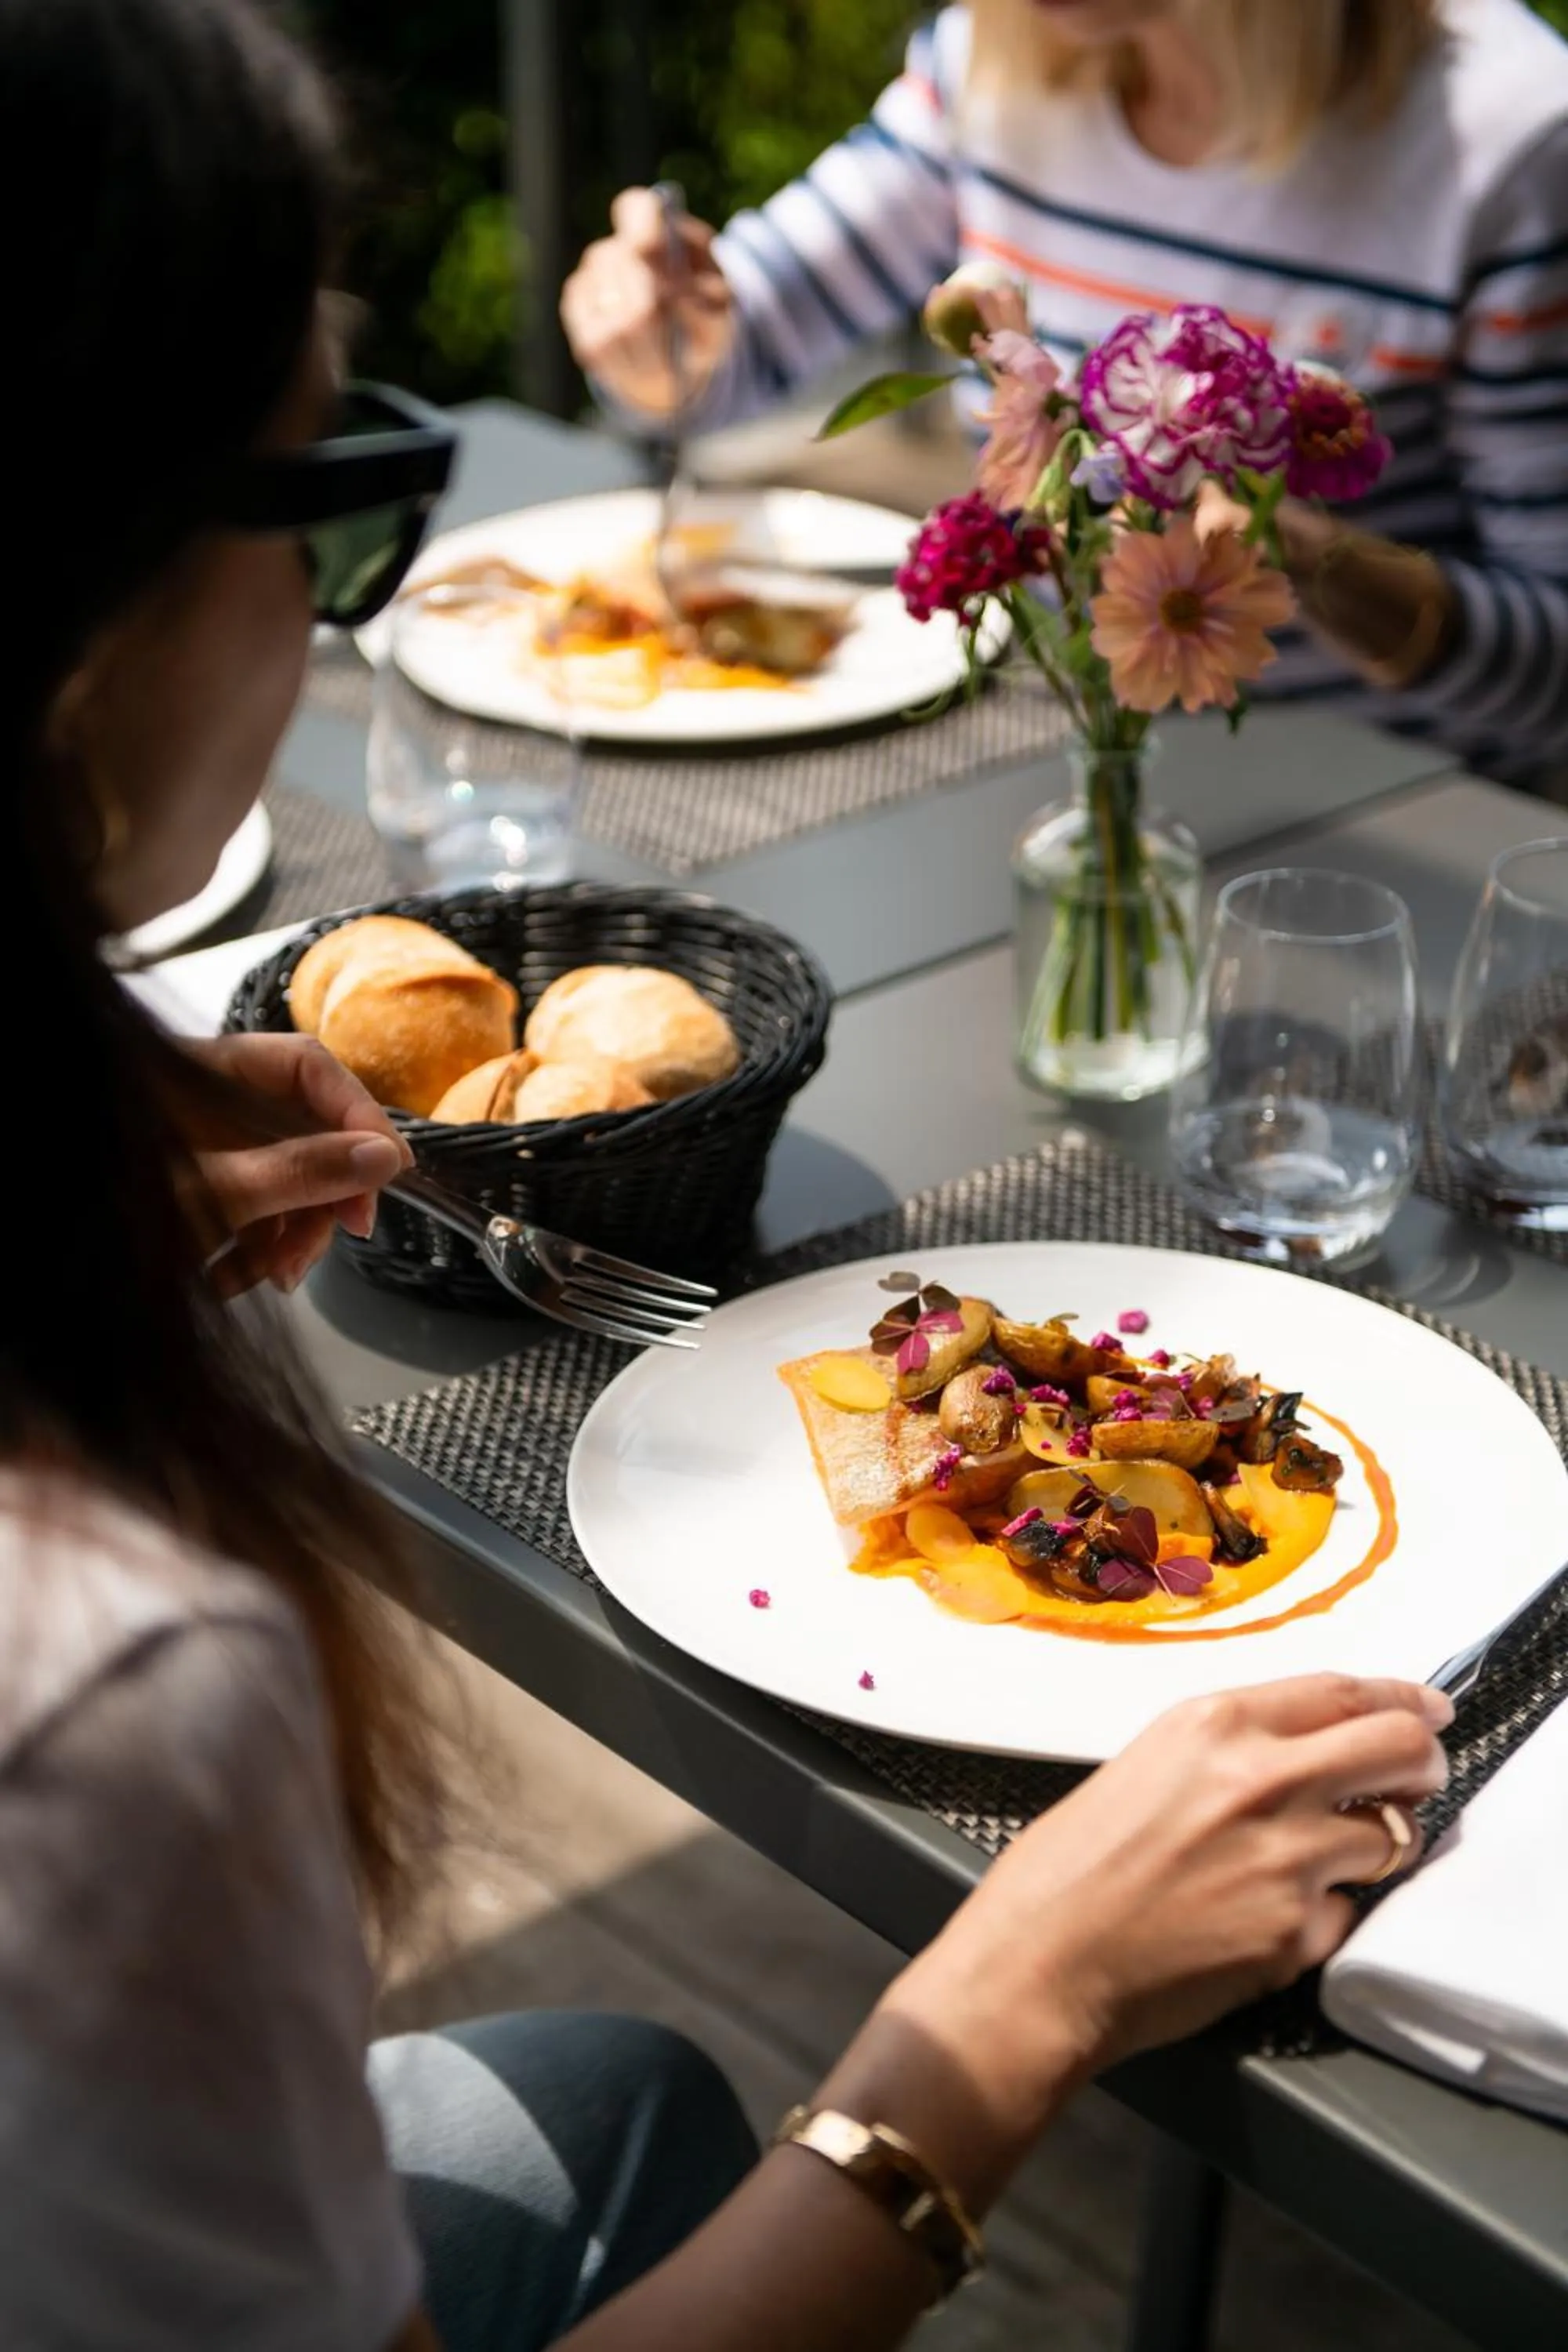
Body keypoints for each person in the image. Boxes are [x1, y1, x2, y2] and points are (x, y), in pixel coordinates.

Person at [0, 4, 1453, 2348]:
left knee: (630, 2093)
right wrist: (1021, 1995)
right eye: (335, 495)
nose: (347, 607)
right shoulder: (109, 1694)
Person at [564, 0, 1568, 792]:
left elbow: (1554, 671)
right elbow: (739, 342)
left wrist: (1297, 555)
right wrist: (655, 336)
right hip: (1055, 761)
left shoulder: (1509, 142)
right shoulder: (991, 57)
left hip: (1393, 823)